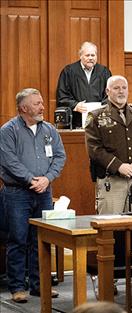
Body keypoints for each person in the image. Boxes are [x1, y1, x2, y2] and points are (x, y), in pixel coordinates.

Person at [0, 88, 66, 303]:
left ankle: (40, 285)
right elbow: (9, 161)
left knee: (41, 240)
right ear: (24, 108)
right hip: (16, 193)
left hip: (44, 193)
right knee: (18, 240)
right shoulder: (8, 131)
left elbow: (59, 156)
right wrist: (31, 179)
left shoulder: (49, 129)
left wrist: (47, 179)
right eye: (37, 103)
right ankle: (18, 288)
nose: (42, 107)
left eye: (41, 102)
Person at [85, 75, 132, 215]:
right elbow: (94, 149)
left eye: (124, 88)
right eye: (116, 88)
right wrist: (118, 166)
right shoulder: (95, 117)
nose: (121, 91)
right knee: (110, 228)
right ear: (107, 91)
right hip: (111, 181)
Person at [56, 41, 112, 128]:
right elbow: (62, 97)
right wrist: (75, 105)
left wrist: (101, 107)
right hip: (76, 122)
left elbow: (110, 95)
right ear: (80, 56)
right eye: (87, 55)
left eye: (93, 55)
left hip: (99, 122)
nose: (90, 58)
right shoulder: (69, 71)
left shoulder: (104, 72)